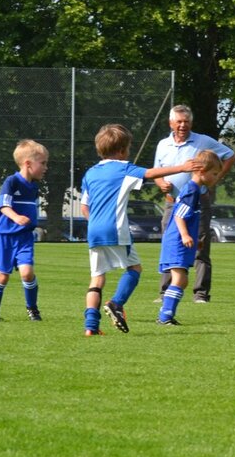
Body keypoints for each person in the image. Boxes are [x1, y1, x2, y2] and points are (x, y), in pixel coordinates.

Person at [80, 124, 201, 337]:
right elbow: (151, 173)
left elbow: (84, 207)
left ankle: (91, 327)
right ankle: (116, 303)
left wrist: (96, 223)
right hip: (115, 229)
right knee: (134, 269)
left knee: (97, 279)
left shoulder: (90, 173)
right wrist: (182, 168)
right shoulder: (124, 168)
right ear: (122, 150)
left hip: (93, 231)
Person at [153, 105, 235, 303]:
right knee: (170, 245)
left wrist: (216, 178)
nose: (183, 125)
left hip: (198, 202)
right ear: (171, 123)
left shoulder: (202, 141)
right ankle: (165, 292)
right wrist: (161, 183)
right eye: (179, 121)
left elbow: (230, 155)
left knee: (200, 245)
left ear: (191, 123)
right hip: (171, 203)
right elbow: (156, 171)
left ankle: (200, 293)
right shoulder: (163, 145)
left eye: (186, 122)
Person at [0, 139, 49, 323]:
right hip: (4, 236)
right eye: (43, 163)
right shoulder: (11, 182)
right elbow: (4, 206)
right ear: (28, 164)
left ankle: (32, 309)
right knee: (2, 276)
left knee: (27, 273)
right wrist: (16, 217)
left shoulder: (34, 187)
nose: (45, 168)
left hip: (25, 237)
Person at [157, 150, 223, 326]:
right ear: (201, 171)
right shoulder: (192, 190)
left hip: (179, 239)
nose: (216, 177)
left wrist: (195, 239)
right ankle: (164, 317)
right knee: (179, 279)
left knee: (182, 280)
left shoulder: (194, 189)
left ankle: (166, 314)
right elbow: (179, 215)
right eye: (214, 173)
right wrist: (185, 235)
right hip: (177, 240)